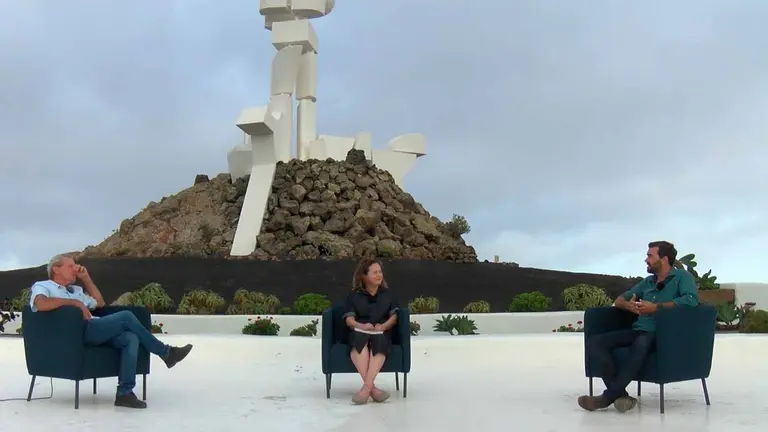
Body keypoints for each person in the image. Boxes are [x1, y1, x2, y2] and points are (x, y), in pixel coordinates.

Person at [29, 254, 193, 409]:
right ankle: (165, 352)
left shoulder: (76, 291)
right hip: (74, 333)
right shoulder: (43, 286)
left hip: (94, 329)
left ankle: (124, 393)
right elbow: (41, 304)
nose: (75, 269)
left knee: (130, 338)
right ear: (56, 269)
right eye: (70, 266)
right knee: (126, 317)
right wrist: (75, 304)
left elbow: (99, 303)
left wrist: (86, 279)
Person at [577, 241, 699, 413]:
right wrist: (629, 306)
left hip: (664, 332)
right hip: (640, 329)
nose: (646, 260)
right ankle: (621, 396)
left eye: (650, 256)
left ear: (663, 259)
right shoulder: (648, 282)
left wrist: (657, 307)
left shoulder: (682, 278)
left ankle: (606, 398)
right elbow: (620, 299)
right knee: (596, 342)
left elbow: (691, 300)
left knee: (641, 344)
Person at [342, 258, 400, 405]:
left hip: (381, 330)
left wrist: (383, 326)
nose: (379, 275)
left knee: (380, 341)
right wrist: (361, 326)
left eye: (380, 272)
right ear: (364, 276)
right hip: (360, 330)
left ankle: (366, 389)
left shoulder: (388, 294)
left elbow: (394, 317)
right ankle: (373, 390)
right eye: (375, 272)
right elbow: (349, 320)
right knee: (358, 340)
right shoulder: (354, 295)